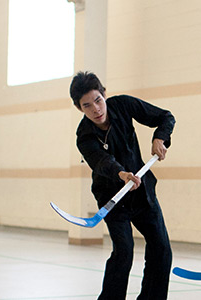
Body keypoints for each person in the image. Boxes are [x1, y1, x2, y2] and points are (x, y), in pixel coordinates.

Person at [71, 71, 176, 300]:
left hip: (142, 192)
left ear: (104, 94)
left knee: (162, 250)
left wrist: (160, 137)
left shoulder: (123, 105)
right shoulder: (84, 135)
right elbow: (100, 161)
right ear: (80, 108)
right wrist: (121, 174)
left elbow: (166, 117)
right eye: (87, 105)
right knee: (124, 251)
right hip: (112, 199)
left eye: (98, 100)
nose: (96, 109)